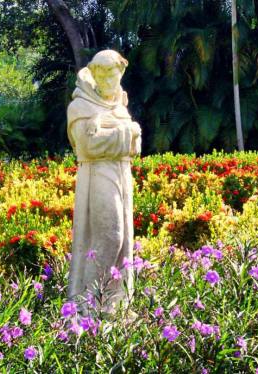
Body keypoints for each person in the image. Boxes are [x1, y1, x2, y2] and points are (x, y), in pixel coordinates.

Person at [67, 50, 141, 312]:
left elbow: (136, 146)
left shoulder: (120, 107)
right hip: (98, 173)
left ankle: (113, 302)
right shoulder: (80, 106)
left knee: (123, 243)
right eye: (104, 73)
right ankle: (89, 300)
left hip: (122, 173)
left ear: (121, 73)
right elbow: (88, 146)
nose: (110, 78)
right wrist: (127, 132)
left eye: (114, 72)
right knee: (111, 235)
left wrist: (126, 134)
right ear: (94, 74)